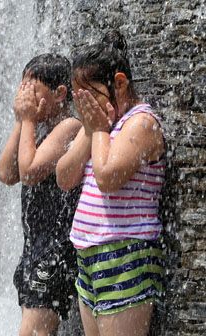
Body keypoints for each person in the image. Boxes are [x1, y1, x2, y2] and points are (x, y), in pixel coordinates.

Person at [56, 30, 166, 336]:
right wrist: (91, 132)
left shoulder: (141, 123)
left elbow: (106, 178)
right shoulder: (98, 126)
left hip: (126, 254)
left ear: (119, 83)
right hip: (88, 255)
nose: (85, 106)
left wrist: (99, 130)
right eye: (79, 99)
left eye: (90, 96)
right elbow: (64, 178)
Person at [0, 54, 82, 336]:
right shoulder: (36, 128)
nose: (26, 98)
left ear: (60, 94)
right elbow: (7, 174)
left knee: (33, 332)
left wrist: (28, 119)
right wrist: (21, 122)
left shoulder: (70, 127)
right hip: (34, 246)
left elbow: (30, 171)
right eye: (23, 90)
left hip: (55, 248)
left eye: (32, 90)